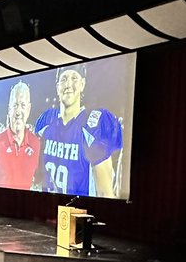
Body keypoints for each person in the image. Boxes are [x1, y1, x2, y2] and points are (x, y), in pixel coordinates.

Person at [34, 64, 124, 197]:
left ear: (82, 84)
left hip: (80, 211)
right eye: (64, 79)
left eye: (74, 78)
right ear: (57, 86)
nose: (68, 84)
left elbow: (105, 192)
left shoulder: (93, 125)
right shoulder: (46, 121)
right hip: (48, 208)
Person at [0, 81, 41, 190]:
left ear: (28, 109)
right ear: (9, 110)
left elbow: (38, 180)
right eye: (15, 105)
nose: (18, 112)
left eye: (23, 105)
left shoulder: (36, 143)